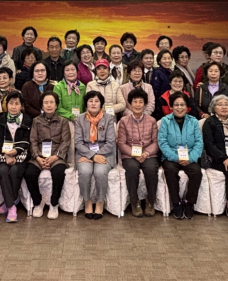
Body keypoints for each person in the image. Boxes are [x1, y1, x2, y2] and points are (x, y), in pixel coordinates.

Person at [158, 92, 204, 220]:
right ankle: (176, 202)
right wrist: (176, 158)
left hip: (189, 156)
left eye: (182, 105)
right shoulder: (165, 121)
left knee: (196, 172)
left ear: (187, 107)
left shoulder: (193, 121)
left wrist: (190, 158)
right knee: (170, 170)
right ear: (171, 107)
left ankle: (189, 203)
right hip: (171, 156)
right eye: (176, 105)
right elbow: (162, 143)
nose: (179, 108)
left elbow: (199, 143)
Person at [25, 91, 71, 219]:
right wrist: (38, 157)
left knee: (58, 173)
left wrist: (55, 157)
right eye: (46, 102)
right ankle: (37, 202)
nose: (49, 105)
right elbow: (33, 141)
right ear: (42, 105)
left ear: (56, 105)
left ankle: (54, 203)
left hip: (57, 155)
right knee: (29, 173)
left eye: (52, 102)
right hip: (39, 155)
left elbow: (65, 141)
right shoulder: (36, 121)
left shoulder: (63, 121)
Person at [73, 91, 116, 219]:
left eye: (96, 101)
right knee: (85, 172)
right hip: (84, 153)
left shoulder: (109, 119)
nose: (93, 103)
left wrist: (96, 155)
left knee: (100, 172)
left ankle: (100, 202)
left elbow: (110, 142)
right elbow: (78, 142)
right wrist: (92, 155)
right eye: (90, 101)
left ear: (101, 104)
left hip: (105, 153)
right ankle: (87, 201)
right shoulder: (80, 119)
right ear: (86, 103)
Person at [117, 88, 159, 217]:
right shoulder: (123, 121)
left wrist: (145, 153)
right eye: (135, 102)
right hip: (130, 155)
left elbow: (156, 142)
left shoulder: (152, 120)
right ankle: (135, 202)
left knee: (151, 169)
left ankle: (150, 202)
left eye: (141, 102)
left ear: (145, 104)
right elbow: (121, 143)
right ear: (130, 104)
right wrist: (135, 154)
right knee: (132, 169)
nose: (138, 105)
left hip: (148, 154)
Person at [0, 91, 32, 223]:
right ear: (6, 105)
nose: (13, 106)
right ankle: (12, 206)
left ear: (21, 105)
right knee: (3, 170)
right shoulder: (0, 118)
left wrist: (15, 151)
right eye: (11, 103)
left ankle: (9, 202)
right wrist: (6, 154)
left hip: (20, 154)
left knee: (16, 170)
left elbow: (27, 140)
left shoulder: (27, 119)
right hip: (4, 154)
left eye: (17, 104)